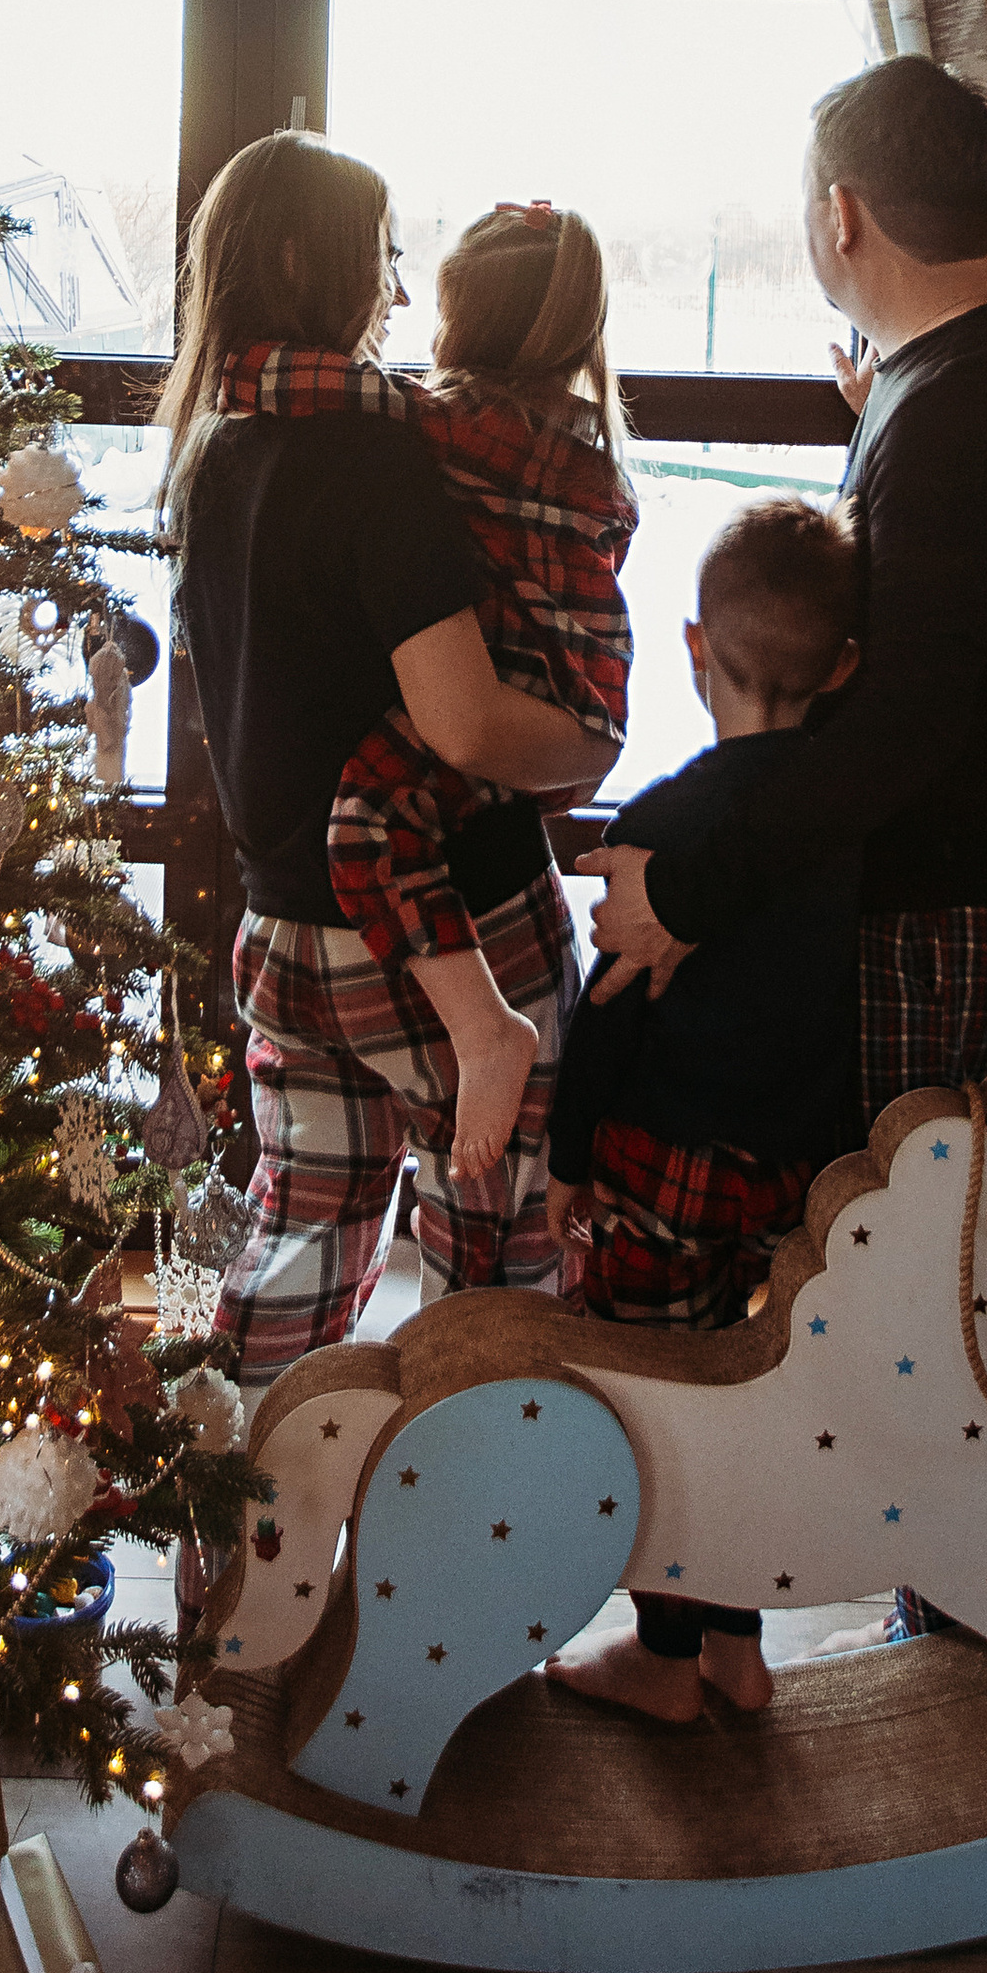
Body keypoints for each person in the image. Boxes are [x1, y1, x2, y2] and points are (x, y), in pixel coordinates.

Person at [583, 56, 987, 1137]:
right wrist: (878, 411)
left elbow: (903, 725)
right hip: (963, 901)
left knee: (878, 1272)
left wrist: (689, 897)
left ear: (840, 214)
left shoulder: (963, 414)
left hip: (934, 924)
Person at [161, 133, 607, 1385]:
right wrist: (587, 741)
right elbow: (460, 725)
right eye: (383, 257)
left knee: (299, 1239)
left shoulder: (219, 448)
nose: (398, 293)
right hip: (447, 923)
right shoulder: (373, 457)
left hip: (289, 930)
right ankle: (473, 1559)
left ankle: (249, 1536)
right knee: (499, 1258)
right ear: (311, 258)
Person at [541, 495, 862, 1726]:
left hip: (657, 1171)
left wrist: (570, 1161)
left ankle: (666, 1658)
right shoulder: (839, 830)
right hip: (789, 1175)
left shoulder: (664, 831)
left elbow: (608, 1020)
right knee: (749, 1402)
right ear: (843, 668)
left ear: (691, 648)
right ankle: (739, 1646)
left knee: (657, 1405)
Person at [319, 200, 637, 1179]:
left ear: (456, 326)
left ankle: (484, 1030)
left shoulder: (430, 428)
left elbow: (313, 386)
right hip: (571, 706)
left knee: (367, 820)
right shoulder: (590, 457)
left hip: (495, 704)